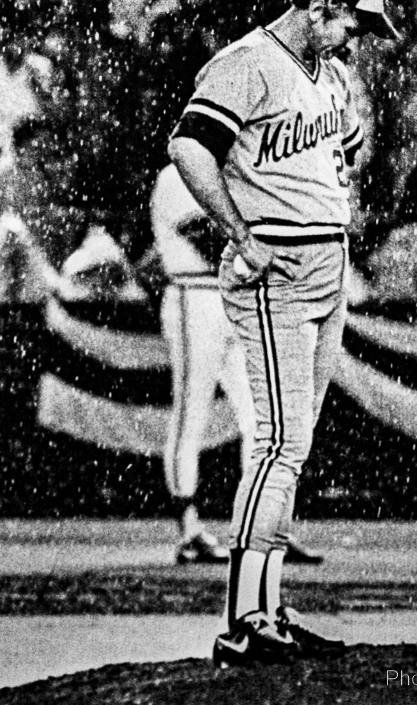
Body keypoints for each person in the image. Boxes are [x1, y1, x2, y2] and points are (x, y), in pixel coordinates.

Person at [168, 0, 399, 667]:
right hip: (276, 262)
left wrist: (343, 132)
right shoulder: (247, 62)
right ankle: (242, 620)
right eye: (353, 23)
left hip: (326, 261)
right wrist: (238, 232)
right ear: (320, 5)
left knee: (291, 450)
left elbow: (343, 154)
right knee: (276, 445)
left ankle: (270, 608)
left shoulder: (330, 74)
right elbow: (189, 148)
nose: (359, 38)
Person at [150, 162, 327, 567]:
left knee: (261, 419)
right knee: (190, 415)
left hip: (236, 297)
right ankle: (190, 531)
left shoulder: (232, 173)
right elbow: (209, 238)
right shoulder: (177, 173)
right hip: (193, 295)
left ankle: (263, 530)